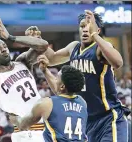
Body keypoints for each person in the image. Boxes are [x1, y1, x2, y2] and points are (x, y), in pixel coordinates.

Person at [36, 10, 129, 142]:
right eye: (82, 26)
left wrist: (95, 35)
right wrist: (38, 40)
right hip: (86, 121)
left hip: (108, 118)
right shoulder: (73, 47)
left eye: (89, 25)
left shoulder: (100, 47)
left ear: (98, 29)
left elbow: (118, 62)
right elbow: (51, 59)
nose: (85, 29)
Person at [9, 57, 88, 142]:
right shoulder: (82, 102)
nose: (55, 79)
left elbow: (22, 126)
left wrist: (14, 118)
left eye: (56, 78)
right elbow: (61, 94)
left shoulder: (46, 103)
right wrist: (45, 70)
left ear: (62, 86)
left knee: (19, 136)